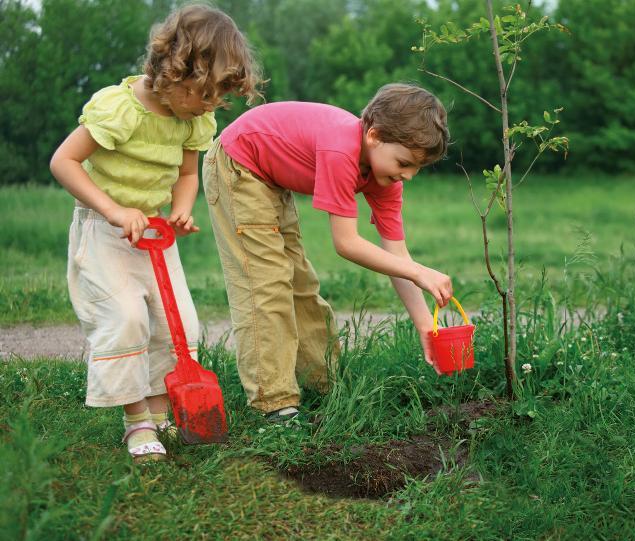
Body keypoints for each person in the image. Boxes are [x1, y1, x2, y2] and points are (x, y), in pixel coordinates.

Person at [49, 4, 259, 462]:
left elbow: (186, 174)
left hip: (155, 234)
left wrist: (181, 210)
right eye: (202, 94)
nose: (208, 107)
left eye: (215, 101)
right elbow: (62, 161)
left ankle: (164, 411)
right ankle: (136, 419)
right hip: (104, 231)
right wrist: (112, 209)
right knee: (126, 318)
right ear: (173, 68)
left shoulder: (193, 118)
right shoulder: (119, 108)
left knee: (178, 324)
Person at [203, 83, 454, 423]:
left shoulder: (386, 179)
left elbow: (398, 257)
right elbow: (346, 243)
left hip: (271, 179)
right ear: (375, 136)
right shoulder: (341, 150)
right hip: (238, 166)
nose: (408, 176)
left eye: (416, 168)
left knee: (300, 285)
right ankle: (274, 403)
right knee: (267, 285)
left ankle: (324, 385)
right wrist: (419, 272)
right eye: (404, 162)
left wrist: (426, 326)